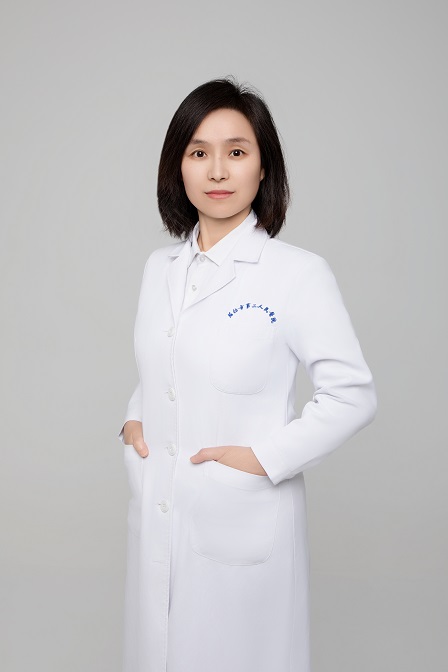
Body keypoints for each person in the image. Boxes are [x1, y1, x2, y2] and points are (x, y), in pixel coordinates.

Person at [117, 76, 377, 672]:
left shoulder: (297, 274)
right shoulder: (159, 269)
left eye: (236, 152)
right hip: (160, 509)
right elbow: (163, 366)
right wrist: (133, 421)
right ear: (177, 168)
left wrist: (264, 458)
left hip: (241, 520)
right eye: (198, 152)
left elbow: (352, 395)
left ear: (264, 169)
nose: (217, 171)